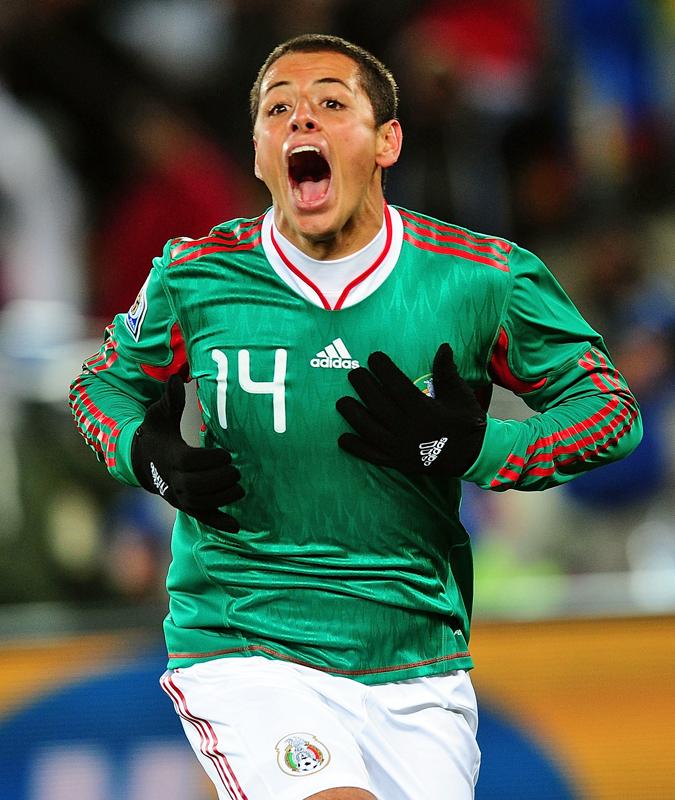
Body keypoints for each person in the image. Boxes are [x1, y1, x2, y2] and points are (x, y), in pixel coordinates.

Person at [69, 34, 643, 800]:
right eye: (278, 109)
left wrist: (473, 445)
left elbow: (610, 413)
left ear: (386, 142)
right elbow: (99, 387)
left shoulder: (480, 279)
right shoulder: (195, 276)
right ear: (258, 152)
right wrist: (144, 454)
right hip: (246, 639)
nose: (301, 119)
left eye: (331, 103)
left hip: (415, 658)